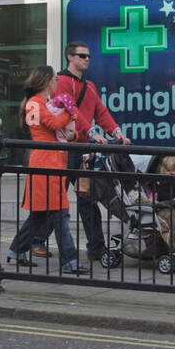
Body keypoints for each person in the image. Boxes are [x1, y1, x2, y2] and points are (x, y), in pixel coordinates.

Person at [31, 41, 129, 262]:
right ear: (70, 57)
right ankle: (36, 239)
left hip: (82, 150)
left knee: (88, 199)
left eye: (88, 56)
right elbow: (71, 110)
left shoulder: (90, 86)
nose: (87, 59)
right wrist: (92, 131)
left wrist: (116, 131)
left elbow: (101, 111)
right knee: (57, 198)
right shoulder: (62, 81)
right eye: (82, 56)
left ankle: (96, 248)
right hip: (67, 149)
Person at [6, 65, 87, 274]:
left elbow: (59, 128)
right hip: (47, 161)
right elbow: (53, 124)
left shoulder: (39, 103)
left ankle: (17, 249)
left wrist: (73, 133)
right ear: (45, 82)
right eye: (54, 80)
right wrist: (72, 115)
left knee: (41, 214)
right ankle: (69, 260)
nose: (57, 83)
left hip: (49, 160)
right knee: (60, 212)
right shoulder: (36, 103)